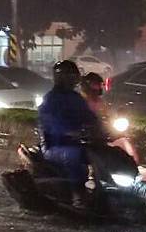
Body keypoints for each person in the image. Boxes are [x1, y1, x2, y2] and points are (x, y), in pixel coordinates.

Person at [38, 60, 100, 208]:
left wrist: (103, 129)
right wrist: (68, 132)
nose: (73, 79)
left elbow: (91, 118)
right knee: (74, 156)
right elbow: (50, 124)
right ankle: (77, 196)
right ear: (61, 77)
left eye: (74, 75)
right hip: (55, 146)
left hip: (77, 143)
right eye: (70, 76)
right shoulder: (50, 100)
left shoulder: (76, 99)